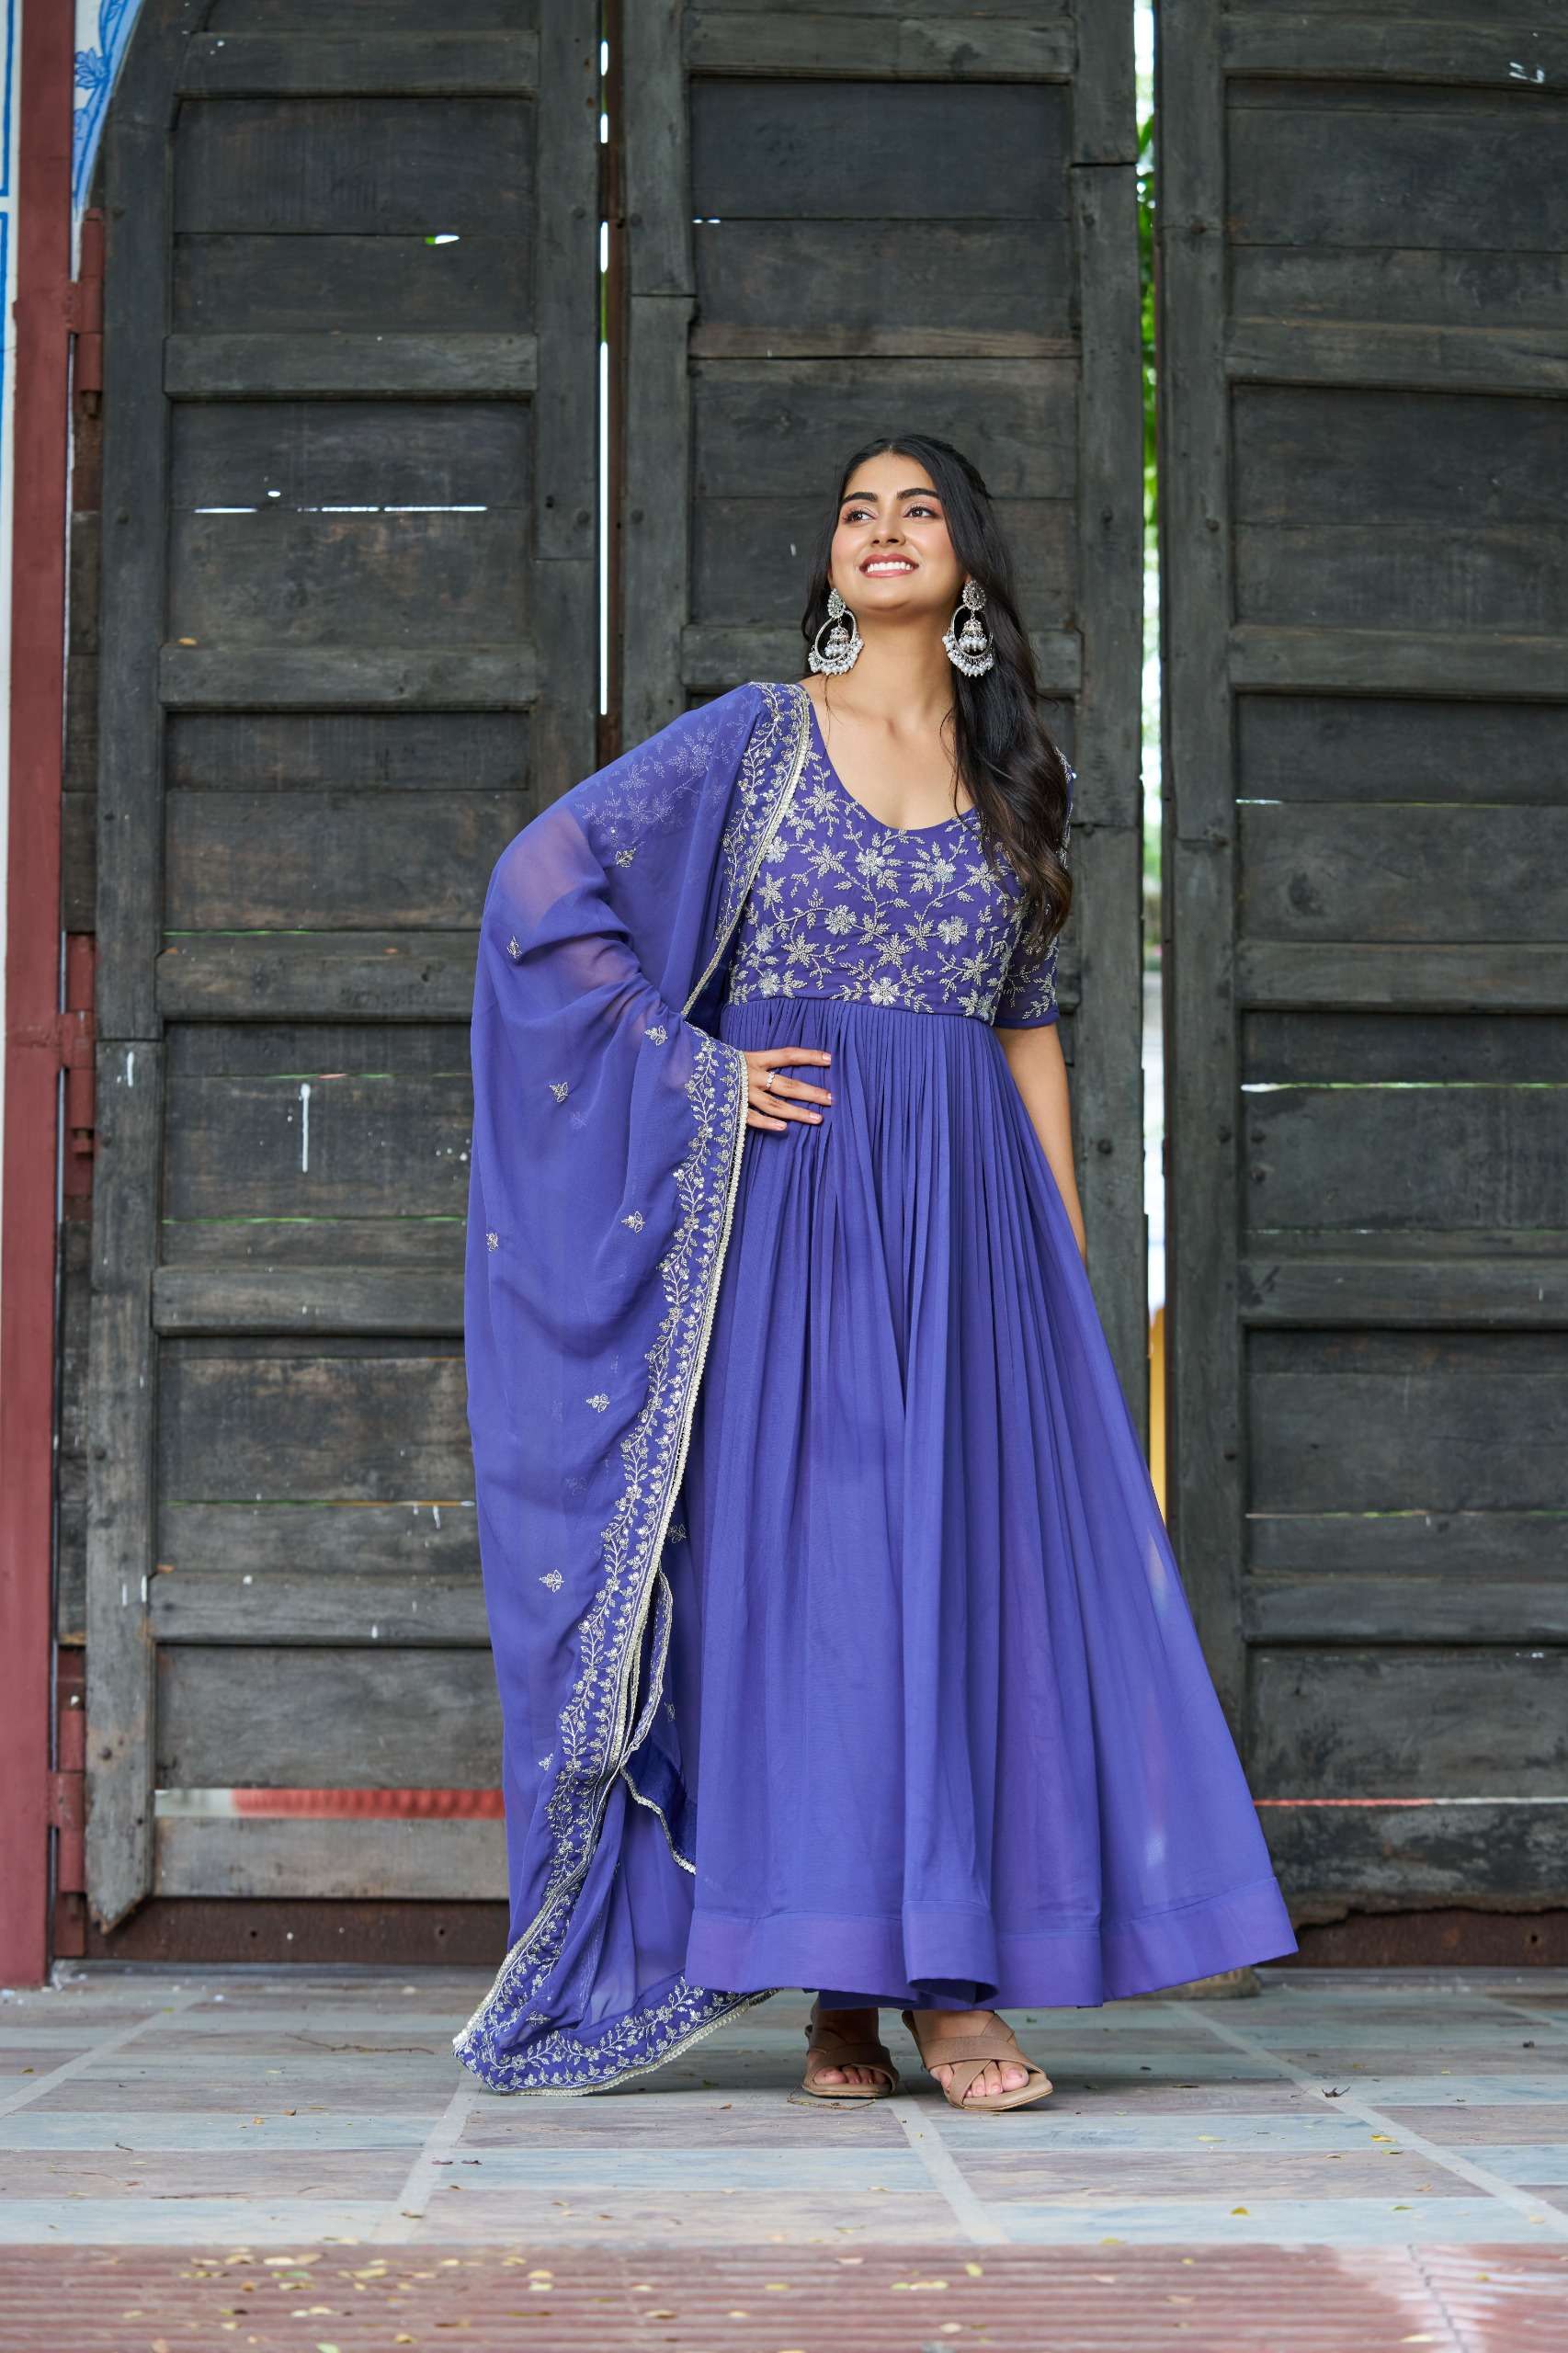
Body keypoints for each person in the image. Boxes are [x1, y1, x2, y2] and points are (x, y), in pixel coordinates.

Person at [453, 433, 1297, 2110]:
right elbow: (539, 888)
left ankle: (927, 1982)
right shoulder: (750, 740)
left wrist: (1057, 1264)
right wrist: (692, 1070)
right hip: (792, 1217)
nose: (884, 530)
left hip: (969, 1230)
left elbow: (1026, 1029)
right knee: (827, 1593)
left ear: (967, 565)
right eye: (857, 512)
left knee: (954, 1588)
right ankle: (866, 1983)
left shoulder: (1016, 778)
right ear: (834, 562)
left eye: (917, 511)